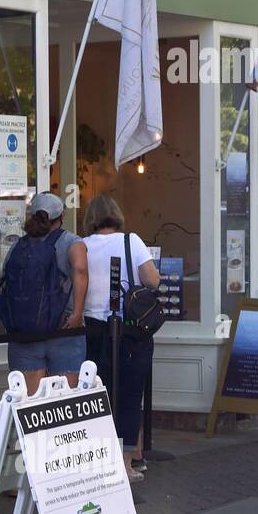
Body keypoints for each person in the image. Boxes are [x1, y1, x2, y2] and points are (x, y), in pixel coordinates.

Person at [80, 196, 160, 483]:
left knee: (98, 397)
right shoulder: (131, 241)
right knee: (129, 395)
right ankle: (126, 463)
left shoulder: (82, 245)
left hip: (92, 328)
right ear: (116, 215)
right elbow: (153, 280)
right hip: (129, 329)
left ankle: (100, 461)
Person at [1, 192, 88, 394]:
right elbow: (81, 269)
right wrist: (77, 313)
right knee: (63, 404)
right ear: (61, 217)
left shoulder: (18, 247)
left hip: (25, 333)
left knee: (28, 406)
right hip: (65, 329)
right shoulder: (72, 241)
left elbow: (6, 283)